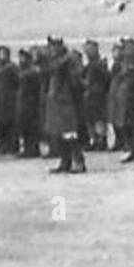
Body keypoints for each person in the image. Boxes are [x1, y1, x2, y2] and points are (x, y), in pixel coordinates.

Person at [45, 36, 87, 174]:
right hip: (57, 102)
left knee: (70, 135)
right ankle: (65, 161)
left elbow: (76, 81)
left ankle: (78, 162)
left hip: (66, 102)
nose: (50, 50)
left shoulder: (67, 62)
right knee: (59, 135)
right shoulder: (59, 62)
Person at [0, 46, 19, 154]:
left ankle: (12, 145)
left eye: (3, 53)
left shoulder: (12, 67)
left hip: (10, 99)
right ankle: (2, 145)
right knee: (0, 124)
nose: (1, 56)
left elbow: (17, 81)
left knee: (11, 124)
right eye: (0, 53)